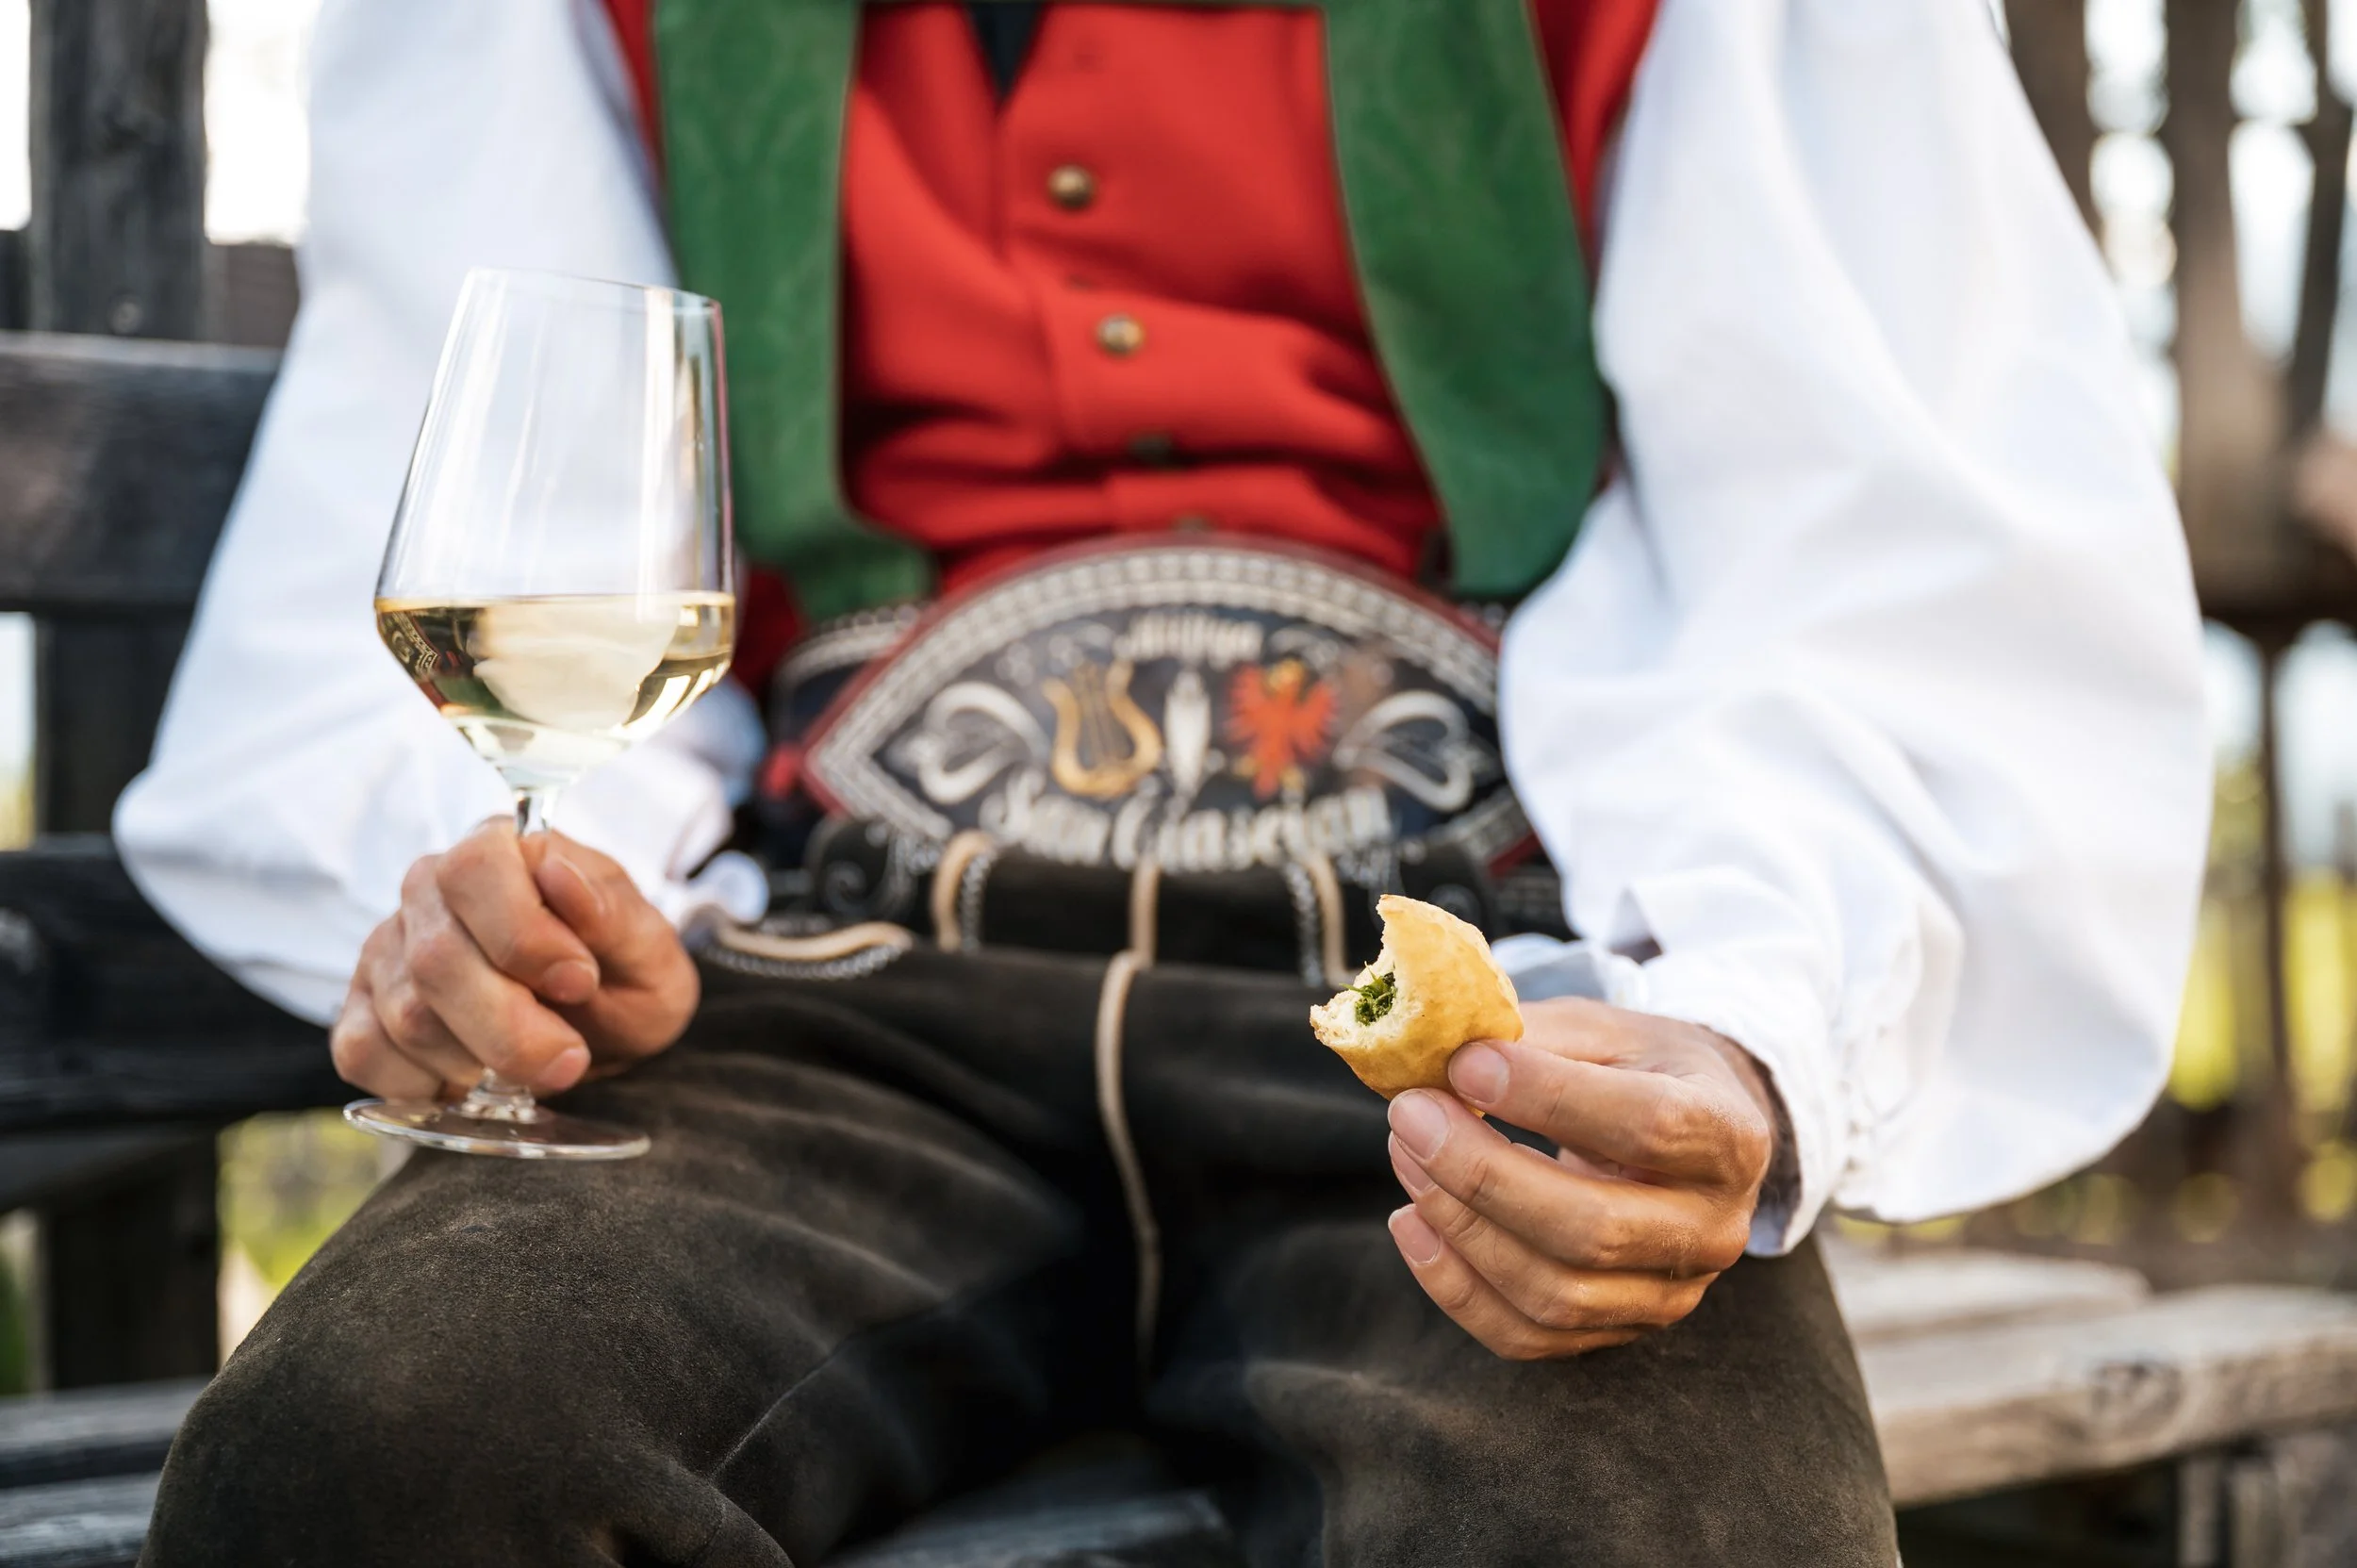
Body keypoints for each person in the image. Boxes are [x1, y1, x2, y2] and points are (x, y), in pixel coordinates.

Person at [119, 0, 2210, 1562]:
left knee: (1667, 1535)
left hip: (1473, 1017)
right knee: (378, 1461)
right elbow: (462, 471)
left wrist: (1750, 1031)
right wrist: (534, 904)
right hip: (823, 993)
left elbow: (1873, 529)